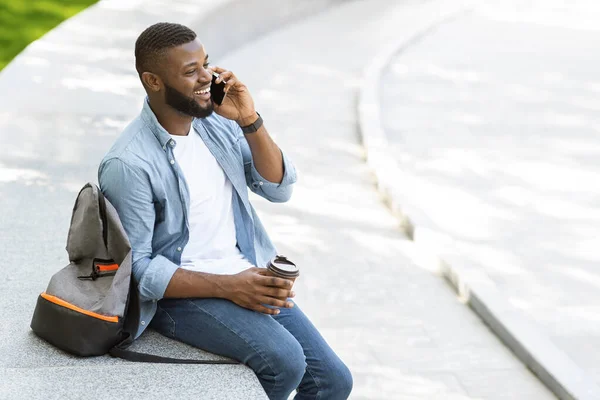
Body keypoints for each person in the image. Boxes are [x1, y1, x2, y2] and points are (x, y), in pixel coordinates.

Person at [98, 22, 352, 400]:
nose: (206, 78)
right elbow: (137, 270)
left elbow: (278, 187)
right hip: (178, 297)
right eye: (190, 72)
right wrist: (230, 287)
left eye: (206, 64)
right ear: (152, 81)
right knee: (284, 362)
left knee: (333, 381)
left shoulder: (216, 124)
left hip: (242, 273)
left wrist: (249, 120)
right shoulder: (129, 162)